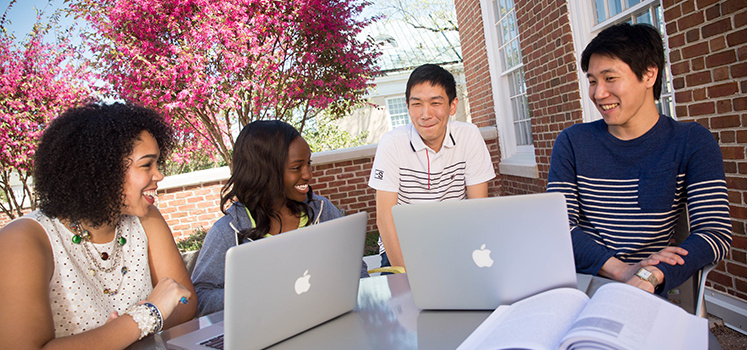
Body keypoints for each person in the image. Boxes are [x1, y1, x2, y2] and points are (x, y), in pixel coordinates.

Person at [546, 23, 732, 295]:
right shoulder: (573, 142)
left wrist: (651, 274)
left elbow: (714, 233)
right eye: (593, 81)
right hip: (577, 283)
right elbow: (559, 226)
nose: (598, 94)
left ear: (649, 74)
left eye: (610, 78)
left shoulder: (691, 141)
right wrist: (621, 270)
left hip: (643, 290)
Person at [0, 103, 196, 348]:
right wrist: (147, 315)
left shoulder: (147, 219)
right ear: (104, 170)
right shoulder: (23, 240)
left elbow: (185, 303)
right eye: (147, 164)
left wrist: (114, 336)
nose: (159, 176)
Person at [191, 120, 368, 317]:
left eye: (308, 163)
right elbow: (201, 296)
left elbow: (356, 268)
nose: (308, 174)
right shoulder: (228, 231)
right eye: (296, 167)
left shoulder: (322, 210)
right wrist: (252, 297)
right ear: (265, 171)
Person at [369, 64, 496, 268]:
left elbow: (478, 210)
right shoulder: (392, 143)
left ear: (452, 106)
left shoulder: (469, 136)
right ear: (408, 106)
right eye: (417, 104)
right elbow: (384, 218)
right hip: (403, 248)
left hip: (456, 244)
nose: (425, 114)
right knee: (403, 298)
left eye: (435, 103)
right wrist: (406, 276)